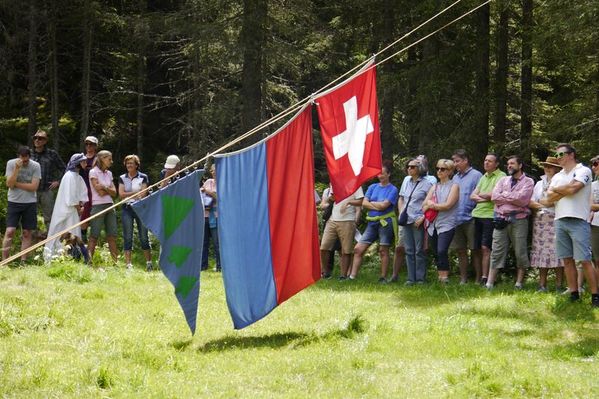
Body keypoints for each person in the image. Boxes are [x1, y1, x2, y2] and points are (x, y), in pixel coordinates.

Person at [544, 144, 599, 307]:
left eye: (560, 154)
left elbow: (575, 188)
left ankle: (595, 295)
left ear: (571, 155)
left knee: (584, 260)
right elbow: (548, 198)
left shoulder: (583, 170)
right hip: (560, 219)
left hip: (578, 219)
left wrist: (558, 191)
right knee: (567, 260)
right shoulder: (558, 175)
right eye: (556, 153)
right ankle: (574, 293)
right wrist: (563, 190)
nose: (557, 157)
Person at [486, 155, 534, 289]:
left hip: (519, 220)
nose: (509, 166)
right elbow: (494, 197)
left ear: (520, 165)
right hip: (501, 219)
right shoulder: (503, 180)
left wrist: (505, 196)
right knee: (496, 250)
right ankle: (489, 283)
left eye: (512, 163)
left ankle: (519, 283)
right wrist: (511, 198)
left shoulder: (528, 181)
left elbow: (523, 200)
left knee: (520, 251)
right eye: (508, 164)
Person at [349, 163, 398, 282]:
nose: (380, 175)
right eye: (378, 173)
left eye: (382, 173)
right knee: (358, 249)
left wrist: (372, 204)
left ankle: (383, 277)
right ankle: (352, 276)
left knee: (383, 250)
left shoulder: (393, 189)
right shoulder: (372, 187)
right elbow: (364, 203)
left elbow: (384, 205)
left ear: (389, 174)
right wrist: (378, 205)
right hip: (371, 223)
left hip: (385, 222)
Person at [391, 155, 436, 282]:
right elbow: (402, 198)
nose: (409, 169)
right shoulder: (407, 181)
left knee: (419, 251)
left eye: (413, 167)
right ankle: (411, 279)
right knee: (409, 250)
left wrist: (423, 217)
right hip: (406, 219)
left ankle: (420, 279)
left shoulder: (428, 183)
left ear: (419, 168)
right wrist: (401, 213)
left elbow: (431, 202)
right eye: (408, 167)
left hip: (418, 220)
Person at [43, 153, 89, 262]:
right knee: (59, 234)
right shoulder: (69, 176)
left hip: (73, 211)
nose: (85, 163)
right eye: (83, 161)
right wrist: (78, 208)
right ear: (77, 163)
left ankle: (74, 259)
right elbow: (71, 198)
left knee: (74, 235)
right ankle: (51, 258)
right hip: (65, 211)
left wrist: (81, 206)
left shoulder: (77, 177)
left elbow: (82, 194)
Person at [528, 156, 564, 292]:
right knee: (541, 252)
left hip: (556, 219)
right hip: (540, 221)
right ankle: (542, 285)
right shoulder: (539, 183)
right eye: (546, 166)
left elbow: (555, 202)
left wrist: (545, 203)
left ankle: (559, 286)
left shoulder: (560, 182)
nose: (547, 168)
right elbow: (530, 201)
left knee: (558, 252)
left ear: (556, 169)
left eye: (550, 166)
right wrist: (543, 205)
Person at [470, 153, 506, 285]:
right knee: (476, 248)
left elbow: (495, 195)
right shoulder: (483, 177)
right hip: (477, 215)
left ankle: (487, 277)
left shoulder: (501, 176)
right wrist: (484, 197)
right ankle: (478, 277)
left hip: (491, 216)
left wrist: (481, 196)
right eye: (485, 160)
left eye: (490, 161)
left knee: (486, 248)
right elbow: (472, 195)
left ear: (496, 164)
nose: (486, 163)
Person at [423, 159, 459, 283]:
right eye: (438, 168)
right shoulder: (434, 186)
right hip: (433, 224)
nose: (439, 171)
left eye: (442, 169)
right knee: (436, 251)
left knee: (442, 250)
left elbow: (448, 205)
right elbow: (423, 206)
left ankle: (445, 277)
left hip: (447, 223)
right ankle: (440, 276)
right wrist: (432, 205)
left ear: (450, 171)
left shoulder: (454, 186)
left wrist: (432, 205)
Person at [2, 146, 41, 261]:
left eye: (26, 160)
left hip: (30, 202)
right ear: (18, 156)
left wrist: (16, 184)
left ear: (29, 157)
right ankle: (5, 261)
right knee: (10, 231)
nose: (24, 162)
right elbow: (9, 184)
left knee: (27, 232)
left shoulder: (35, 166)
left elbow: (34, 187)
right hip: (14, 201)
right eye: (22, 159)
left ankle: (23, 261)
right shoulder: (11, 163)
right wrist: (16, 169)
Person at [451, 149, 483, 284]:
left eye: (457, 161)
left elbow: (480, 195)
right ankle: (463, 279)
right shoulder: (455, 177)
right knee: (460, 250)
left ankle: (478, 278)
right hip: (456, 218)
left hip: (471, 218)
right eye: (454, 161)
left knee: (475, 249)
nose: (455, 164)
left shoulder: (477, 175)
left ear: (465, 161)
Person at [320, 185, 364, 280]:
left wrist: (349, 201)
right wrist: (330, 199)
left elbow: (361, 201)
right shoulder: (336, 183)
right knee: (324, 247)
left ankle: (343, 276)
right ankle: (325, 273)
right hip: (332, 220)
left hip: (348, 220)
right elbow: (329, 200)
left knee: (346, 250)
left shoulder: (356, 185)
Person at [118, 154, 153, 271]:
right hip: (127, 208)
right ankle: (128, 265)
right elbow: (121, 195)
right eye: (127, 163)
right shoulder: (122, 177)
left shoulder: (143, 177)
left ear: (136, 165)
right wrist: (135, 193)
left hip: (141, 208)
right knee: (127, 236)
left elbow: (143, 194)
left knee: (144, 236)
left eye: (131, 163)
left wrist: (130, 194)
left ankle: (149, 263)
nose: (129, 165)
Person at [31, 129, 65, 236]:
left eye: (40, 138)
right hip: (31, 191)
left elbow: (64, 168)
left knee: (49, 217)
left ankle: (51, 240)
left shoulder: (52, 154)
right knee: (30, 216)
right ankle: (32, 240)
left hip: (47, 189)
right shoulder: (29, 153)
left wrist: (58, 181)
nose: (37, 140)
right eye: (35, 138)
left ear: (45, 141)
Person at [88, 150, 118, 263]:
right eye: (109, 159)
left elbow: (115, 193)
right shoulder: (93, 172)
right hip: (98, 206)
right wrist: (108, 189)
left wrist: (104, 187)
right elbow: (98, 192)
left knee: (112, 236)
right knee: (94, 235)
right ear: (102, 159)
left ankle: (115, 263)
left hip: (110, 205)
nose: (111, 161)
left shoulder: (109, 173)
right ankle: (88, 262)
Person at [201, 164, 221, 272]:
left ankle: (219, 266)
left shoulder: (223, 182)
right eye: (212, 170)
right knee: (203, 243)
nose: (213, 172)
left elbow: (220, 198)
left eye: (215, 170)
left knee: (217, 242)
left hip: (217, 216)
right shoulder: (208, 181)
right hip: (205, 215)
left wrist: (208, 192)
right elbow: (201, 192)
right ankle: (203, 266)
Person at [79, 136, 99, 240]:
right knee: (82, 212)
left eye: (91, 144)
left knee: (89, 212)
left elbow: (97, 172)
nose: (88, 146)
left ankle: (89, 238)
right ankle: (81, 237)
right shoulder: (81, 157)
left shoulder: (98, 158)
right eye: (86, 144)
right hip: (81, 188)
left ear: (95, 146)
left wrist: (86, 168)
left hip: (93, 190)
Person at [590, 155, 599, 279]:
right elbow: (590, 206)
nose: (593, 167)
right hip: (595, 224)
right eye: (592, 165)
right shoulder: (592, 185)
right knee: (597, 259)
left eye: (596, 164)